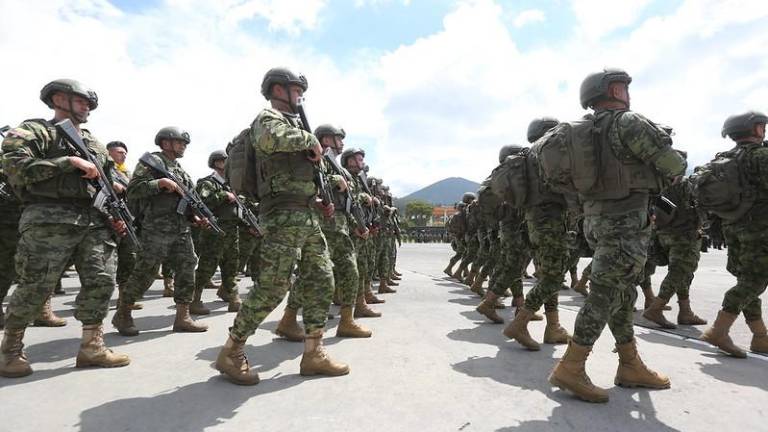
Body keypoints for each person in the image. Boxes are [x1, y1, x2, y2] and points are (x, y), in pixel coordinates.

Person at [548, 68, 685, 403]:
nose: (626, 92)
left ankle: (630, 364)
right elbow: (673, 166)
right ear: (610, 91)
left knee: (621, 295)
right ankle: (572, 365)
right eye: (622, 87)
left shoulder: (583, 132)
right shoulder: (628, 123)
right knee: (605, 295)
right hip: (626, 221)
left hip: (595, 220)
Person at [214, 67, 348, 385]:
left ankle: (314, 352)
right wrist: (309, 139)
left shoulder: (294, 126)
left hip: (306, 215)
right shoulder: (268, 119)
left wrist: (322, 193)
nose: (300, 94)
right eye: (294, 88)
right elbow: (271, 140)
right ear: (277, 90)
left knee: (322, 279)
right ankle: (231, 350)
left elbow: (296, 174)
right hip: (282, 216)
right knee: (274, 286)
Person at [1, 79, 131, 377]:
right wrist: (66, 162)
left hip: (94, 222)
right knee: (36, 284)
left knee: (102, 281)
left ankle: (92, 346)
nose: (87, 107)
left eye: (88, 103)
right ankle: (10, 350)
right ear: (59, 98)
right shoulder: (35, 131)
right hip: (49, 218)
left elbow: (115, 179)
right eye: (81, 100)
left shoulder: (93, 142)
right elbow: (15, 168)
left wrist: (118, 197)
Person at [111, 126, 209, 336]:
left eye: (184, 143)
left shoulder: (180, 169)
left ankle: (182, 316)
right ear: (166, 143)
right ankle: (123, 312)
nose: (183, 146)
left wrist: (195, 216)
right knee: (146, 270)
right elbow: (133, 190)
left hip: (180, 227)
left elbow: (187, 200)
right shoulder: (151, 163)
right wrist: (159, 183)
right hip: (156, 227)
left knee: (187, 266)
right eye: (179, 142)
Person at [701, 111, 768, 357]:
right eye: (762, 126)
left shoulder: (724, 159)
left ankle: (760, 336)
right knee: (754, 283)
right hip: (760, 230)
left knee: (746, 282)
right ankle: (719, 330)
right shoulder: (761, 156)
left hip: (732, 227)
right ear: (755, 129)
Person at [192, 150, 242, 314]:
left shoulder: (232, 184)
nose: (227, 164)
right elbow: (202, 202)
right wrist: (223, 195)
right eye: (223, 161)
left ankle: (233, 296)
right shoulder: (208, 183)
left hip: (231, 230)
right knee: (207, 266)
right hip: (214, 231)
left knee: (231, 265)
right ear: (215, 163)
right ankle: (195, 299)